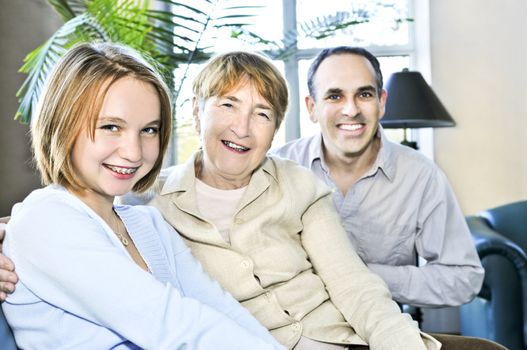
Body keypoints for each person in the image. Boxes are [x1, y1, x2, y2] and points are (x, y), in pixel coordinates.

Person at [0, 42, 284, 350]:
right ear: (63, 125)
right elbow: (175, 326)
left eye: (149, 130)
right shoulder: (46, 219)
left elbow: (220, 308)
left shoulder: (147, 222)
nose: (134, 152)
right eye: (111, 127)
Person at [270, 46, 484, 308]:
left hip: (383, 328)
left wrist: (364, 275)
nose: (351, 109)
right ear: (312, 107)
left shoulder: (421, 177)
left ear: (381, 102)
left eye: (364, 94)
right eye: (335, 96)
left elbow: (464, 279)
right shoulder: (277, 168)